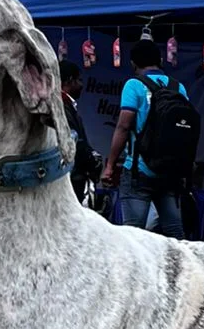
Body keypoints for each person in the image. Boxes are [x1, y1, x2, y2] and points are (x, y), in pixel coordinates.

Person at [101, 39, 192, 237]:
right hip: (169, 171)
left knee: (133, 234)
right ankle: (182, 267)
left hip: (138, 169)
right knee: (175, 231)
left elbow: (124, 126)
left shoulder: (134, 85)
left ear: (133, 63)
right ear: (160, 60)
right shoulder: (179, 88)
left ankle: (133, 269)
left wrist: (110, 166)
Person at [59, 59, 100, 204]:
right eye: (79, 80)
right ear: (70, 80)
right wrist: (90, 161)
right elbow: (74, 141)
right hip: (71, 177)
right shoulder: (61, 106)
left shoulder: (64, 105)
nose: (82, 85)